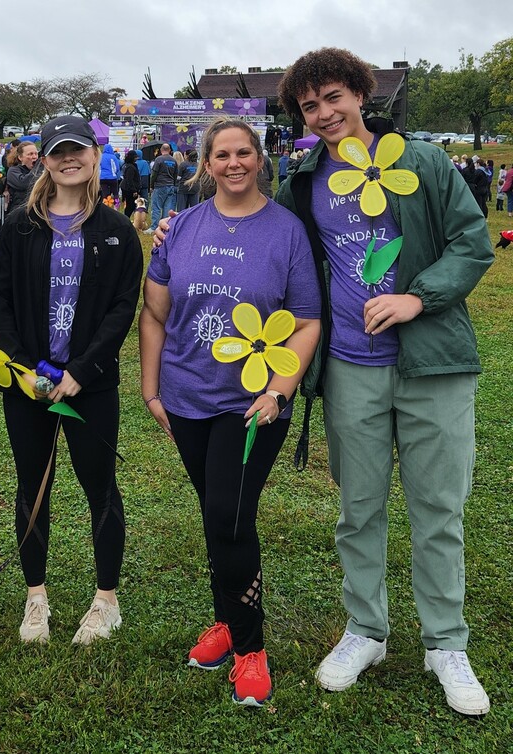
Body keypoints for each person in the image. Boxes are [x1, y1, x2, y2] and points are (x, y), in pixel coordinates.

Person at [275, 47, 493, 716]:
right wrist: (178, 226)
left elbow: (473, 241)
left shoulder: (420, 162)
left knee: (438, 510)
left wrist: (417, 297)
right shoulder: (306, 179)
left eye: (333, 96)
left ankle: (444, 643)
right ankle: (366, 630)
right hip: (349, 371)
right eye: (310, 106)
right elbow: (261, 230)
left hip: (432, 367)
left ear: (361, 95)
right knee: (358, 511)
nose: (324, 112)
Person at [139, 117, 321, 707]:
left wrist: (279, 390)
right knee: (216, 514)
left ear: (261, 159)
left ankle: (249, 647)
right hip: (187, 397)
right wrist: (150, 390)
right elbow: (155, 313)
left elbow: (306, 320)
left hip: (253, 405)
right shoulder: (182, 227)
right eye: (222, 154)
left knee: (230, 516)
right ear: (205, 163)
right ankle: (223, 620)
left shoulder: (287, 232)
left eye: (244, 153)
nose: (234, 163)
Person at [0, 115, 143, 646]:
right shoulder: (20, 226)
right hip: (27, 386)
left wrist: (83, 370)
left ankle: (107, 601)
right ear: (44, 160)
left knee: (99, 486)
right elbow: (0, 300)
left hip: (90, 387)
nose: (68, 158)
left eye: (77, 149)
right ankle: (36, 598)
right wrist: (20, 366)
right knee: (33, 486)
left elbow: (122, 309)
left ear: (95, 156)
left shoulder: (118, 232)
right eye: (57, 151)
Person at [147, 143, 178, 233]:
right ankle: (164, 226)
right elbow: (175, 174)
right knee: (167, 208)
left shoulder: (159, 159)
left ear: (161, 150)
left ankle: (154, 227)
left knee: (156, 207)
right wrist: (173, 184)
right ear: (169, 150)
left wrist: (151, 186)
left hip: (160, 186)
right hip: (170, 186)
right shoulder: (174, 160)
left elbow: (154, 174)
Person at [5, 141, 43, 212]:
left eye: (36, 154)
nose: (34, 157)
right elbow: (24, 183)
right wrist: (38, 166)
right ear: (20, 157)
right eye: (30, 154)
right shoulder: (13, 171)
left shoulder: (41, 171)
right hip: (19, 212)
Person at [120, 149, 141, 218]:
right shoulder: (130, 167)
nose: (136, 158)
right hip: (129, 190)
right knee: (130, 206)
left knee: (131, 206)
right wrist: (134, 190)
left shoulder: (130, 165)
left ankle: (126, 218)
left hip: (128, 188)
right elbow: (130, 180)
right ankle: (125, 219)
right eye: (135, 157)